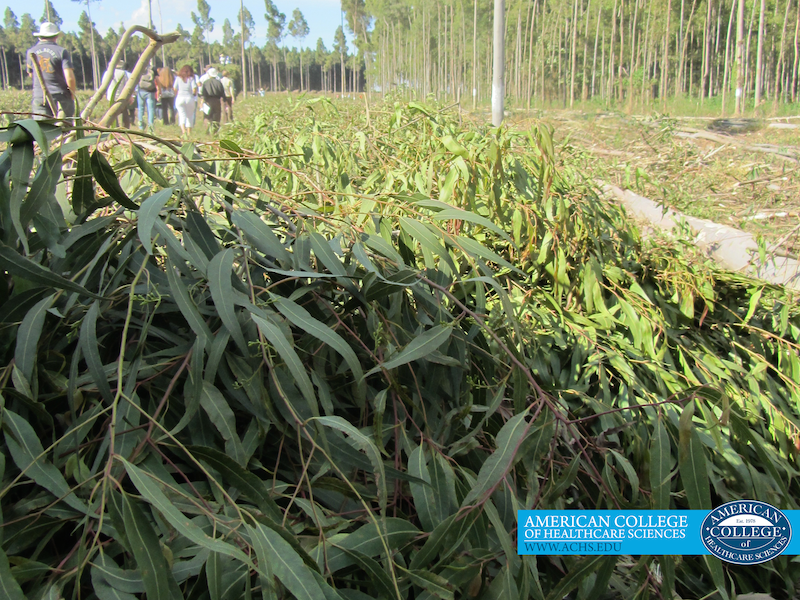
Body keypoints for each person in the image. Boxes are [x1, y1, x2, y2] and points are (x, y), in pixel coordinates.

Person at [26, 22, 77, 120]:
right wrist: (72, 95)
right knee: (64, 130)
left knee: (43, 131)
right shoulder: (61, 51)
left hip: (40, 96)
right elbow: (69, 77)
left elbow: (31, 74)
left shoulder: (31, 52)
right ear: (56, 36)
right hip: (60, 97)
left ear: (40, 37)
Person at [104, 58, 134, 128]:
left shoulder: (107, 72)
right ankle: (125, 127)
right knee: (124, 113)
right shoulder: (123, 73)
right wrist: (130, 96)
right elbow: (127, 85)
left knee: (113, 114)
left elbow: (104, 84)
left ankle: (114, 127)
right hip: (121, 96)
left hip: (111, 96)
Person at [173, 64, 198, 139]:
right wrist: (194, 94)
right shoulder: (191, 79)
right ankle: (189, 132)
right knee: (190, 115)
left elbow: (175, 88)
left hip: (180, 97)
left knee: (181, 115)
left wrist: (176, 95)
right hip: (189, 98)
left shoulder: (178, 78)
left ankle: (183, 131)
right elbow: (194, 88)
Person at [200, 67, 225, 134]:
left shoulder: (205, 82)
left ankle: (208, 130)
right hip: (217, 100)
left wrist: (203, 101)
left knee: (207, 116)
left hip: (208, 101)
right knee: (216, 115)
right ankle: (215, 130)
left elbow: (203, 93)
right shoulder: (218, 82)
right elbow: (222, 92)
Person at [137, 61, 158, 132]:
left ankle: (141, 126)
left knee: (140, 108)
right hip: (150, 92)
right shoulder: (152, 68)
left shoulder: (140, 68)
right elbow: (157, 78)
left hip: (141, 91)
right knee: (151, 109)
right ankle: (150, 127)